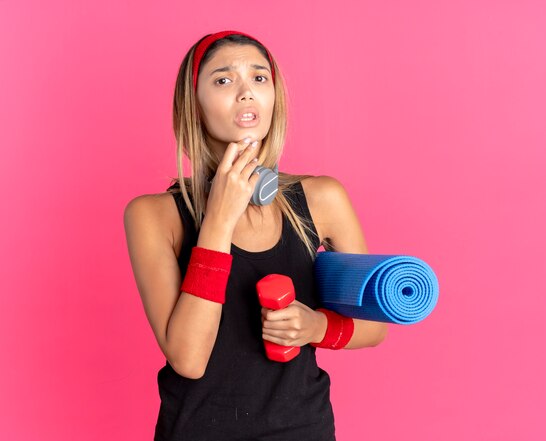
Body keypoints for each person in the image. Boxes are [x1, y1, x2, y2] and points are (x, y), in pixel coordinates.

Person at [124, 30, 388, 441]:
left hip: (303, 429)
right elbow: (188, 359)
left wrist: (315, 327)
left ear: (274, 97)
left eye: (259, 78)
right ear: (193, 103)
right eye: (224, 80)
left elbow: (375, 328)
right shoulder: (153, 216)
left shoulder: (323, 198)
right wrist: (218, 220)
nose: (246, 92)